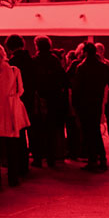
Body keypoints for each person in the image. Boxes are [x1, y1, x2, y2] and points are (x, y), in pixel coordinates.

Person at [0, 43, 30, 187]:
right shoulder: (14, 70)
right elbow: (20, 91)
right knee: (12, 148)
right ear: (5, 54)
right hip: (10, 110)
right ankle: (13, 178)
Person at [70, 43, 109, 172]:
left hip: (84, 103)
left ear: (85, 52)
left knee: (88, 132)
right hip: (97, 102)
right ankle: (101, 159)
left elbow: (77, 88)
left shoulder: (82, 67)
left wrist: (74, 105)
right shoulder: (103, 67)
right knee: (95, 131)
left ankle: (94, 160)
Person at [30, 36, 69, 167]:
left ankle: (38, 158)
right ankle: (51, 158)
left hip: (38, 99)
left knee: (37, 130)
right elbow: (64, 79)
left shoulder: (34, 61)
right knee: (51, 130)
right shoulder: (55, 60)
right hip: (53, 98)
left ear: (37, 46)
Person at [5, 35, 35, 174]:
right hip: (31, 100)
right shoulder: (31, 60)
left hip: (16, 101)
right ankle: (34, 159)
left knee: (18, 133)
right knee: (32, 131)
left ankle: (20, 164)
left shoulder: (12, 63)